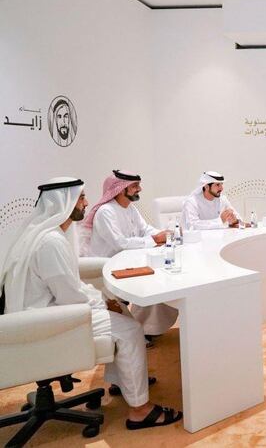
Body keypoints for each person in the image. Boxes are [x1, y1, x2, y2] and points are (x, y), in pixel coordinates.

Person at [0, 177, 182, 429]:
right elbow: (70, 295)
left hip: (46, 310)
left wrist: (105, 300)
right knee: (130, 329)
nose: (86, 202)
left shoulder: (47, 233)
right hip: (48, 321)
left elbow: (69, 283)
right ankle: (140, 410)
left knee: (123, 314)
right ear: (65, 203)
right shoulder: (50, 242)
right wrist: (103, 302)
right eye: (81, 197)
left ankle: (123, 382)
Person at [84, 170, 178, 337]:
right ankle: (142, 329)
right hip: (108, 265)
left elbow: (145, 230)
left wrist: (166, 233)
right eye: (135, 186)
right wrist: (156, 239)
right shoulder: (106, 212)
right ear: (121, 189)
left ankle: (150, 327)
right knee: (151, 277)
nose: (139, 189)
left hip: (128, 260)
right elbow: (121, 243)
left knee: (160, 272)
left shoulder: (130, 208)